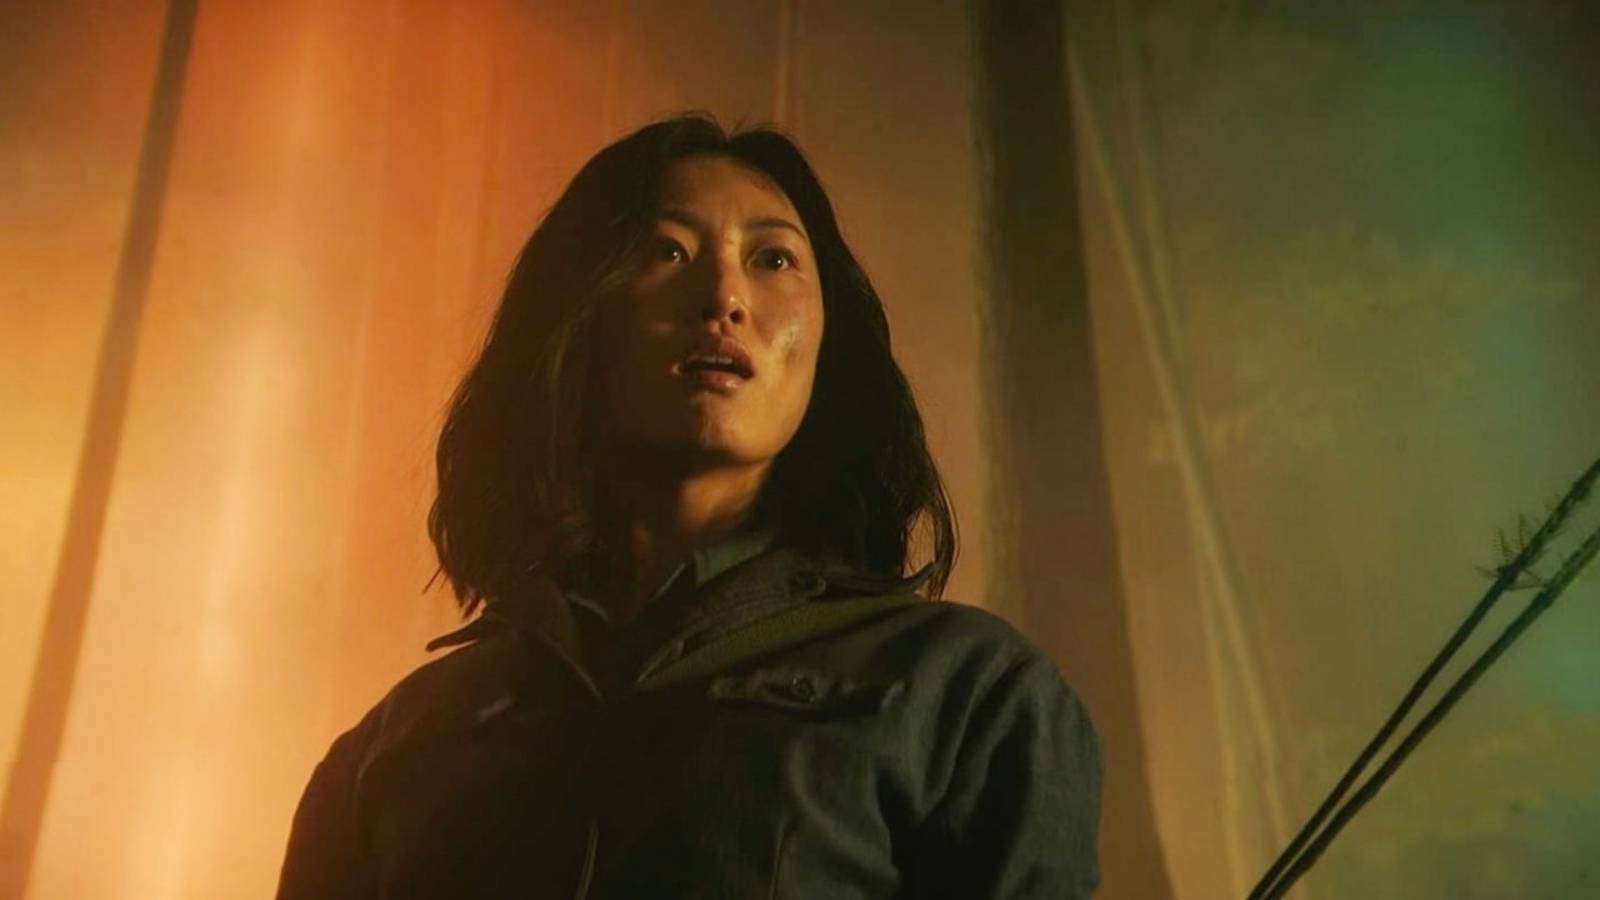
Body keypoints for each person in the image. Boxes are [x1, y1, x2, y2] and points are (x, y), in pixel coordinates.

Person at [276, 113, 1102, 899]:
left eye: (773, 260)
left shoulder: (965, 697)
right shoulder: (396, 746)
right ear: (576, 320)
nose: (723, 297)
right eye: (666, 250)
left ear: (829, 343)